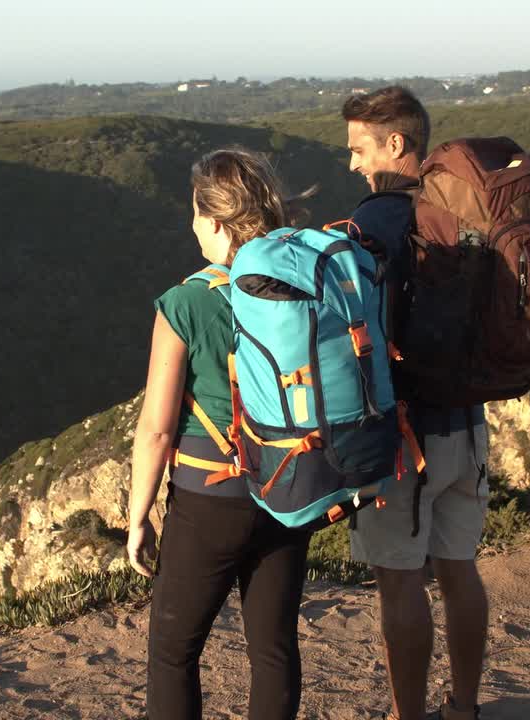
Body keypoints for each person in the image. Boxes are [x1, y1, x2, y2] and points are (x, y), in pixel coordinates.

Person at [126, 148, 313, 720]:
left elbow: (157, 431)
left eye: (194, 213)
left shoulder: (184, 303)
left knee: (173, 654)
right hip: (289, 482)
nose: (191, 225)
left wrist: (137, 518)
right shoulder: (303, 282)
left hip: (211, 495)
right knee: (275, 648)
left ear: (213, 221)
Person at [343, 86, 492, 720]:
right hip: (470, 425)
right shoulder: (465, 212)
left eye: (359, 149)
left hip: (406, 440)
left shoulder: (374, 223)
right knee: (460, 570)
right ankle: (464, 708)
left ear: (395, 145)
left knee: (399, 581)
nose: (352, 163)